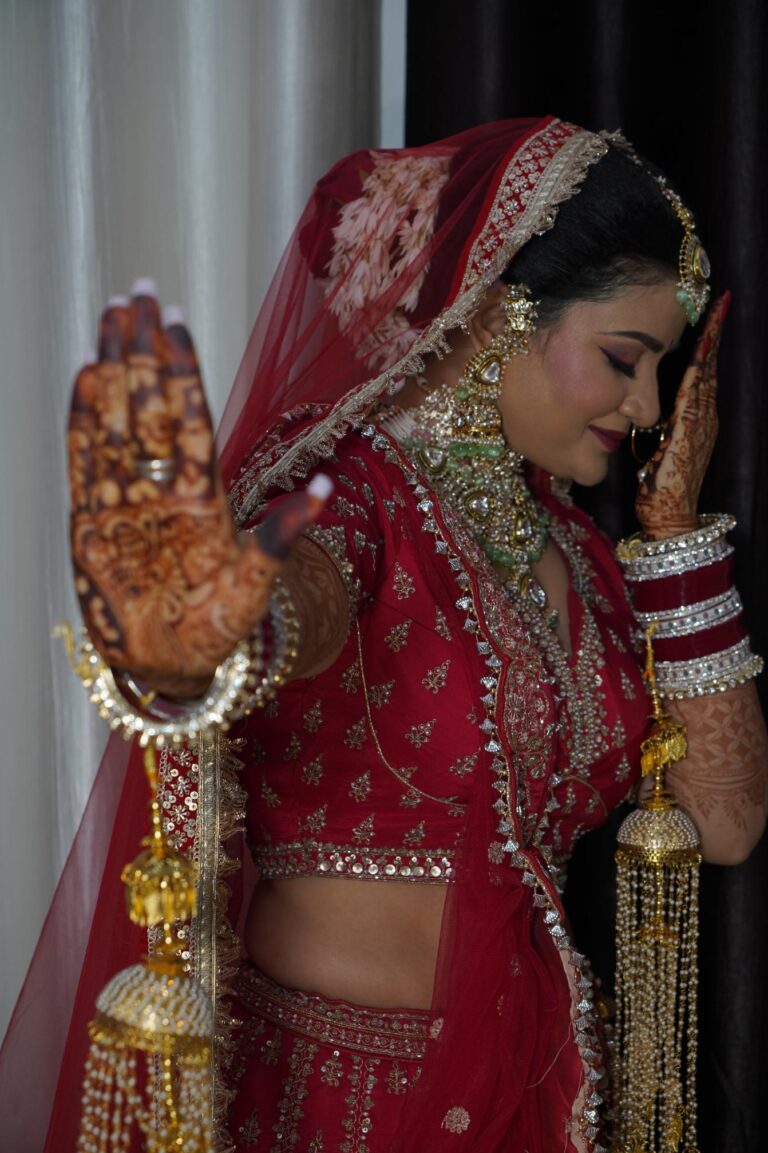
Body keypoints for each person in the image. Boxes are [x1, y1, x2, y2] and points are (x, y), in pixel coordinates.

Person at [3, 116, 767, 1153]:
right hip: (344, 1103)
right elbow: (298, 601)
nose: (647, 408)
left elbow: (725, 822)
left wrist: (676, 541)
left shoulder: (583, 558)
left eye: (660, 373)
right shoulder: (358, 498)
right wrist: (222, 626)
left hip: (538, 1093)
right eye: (624, 359)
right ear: (497, 314)